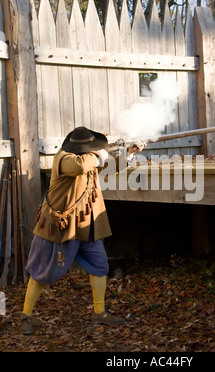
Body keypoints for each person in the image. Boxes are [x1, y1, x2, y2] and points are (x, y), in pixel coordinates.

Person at [20, 126, 145, 335]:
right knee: (41, 271)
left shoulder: (89, 159)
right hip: (59, 226)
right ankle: (26, 315)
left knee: (99, 266)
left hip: (88, 224)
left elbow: (111, 166)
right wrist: (101, 154)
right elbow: (81, 165)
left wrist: (129, 153)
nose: (94, 150)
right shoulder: (64, 159)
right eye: (91, 148)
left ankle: (99, 312)